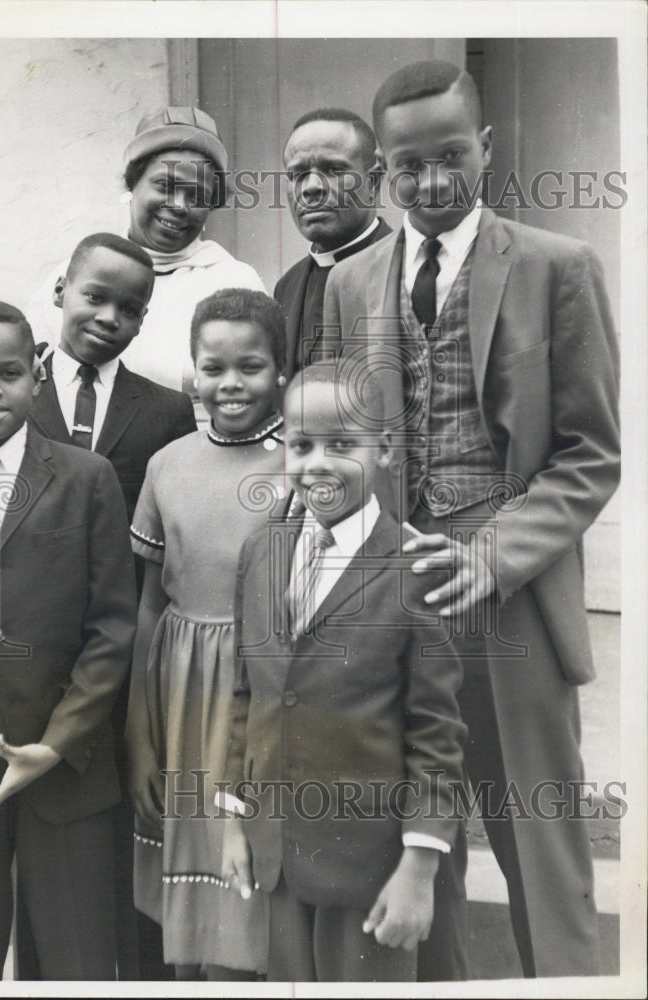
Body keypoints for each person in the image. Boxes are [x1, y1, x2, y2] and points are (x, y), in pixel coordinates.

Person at [324, 59, 620, 979]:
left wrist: (497, 556)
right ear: (383, 172)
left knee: (538, 833)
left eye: (453, 156)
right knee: (416, 838)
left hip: (513, 600)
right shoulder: (350, 285)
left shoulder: (556, 266)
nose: (433, 182)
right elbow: (351, 440)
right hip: (394, 597)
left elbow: (590, 452)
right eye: (409, 166)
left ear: (485, 148)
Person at [220, 362, 466, 983]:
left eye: (342, 445)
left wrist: (420, 866)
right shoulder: (261, 552)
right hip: (277, 853)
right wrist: (233, 822)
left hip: (371, 870)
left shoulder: (415, 571)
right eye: (301, 445)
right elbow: (246, 694)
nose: (317, 463)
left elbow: (436, 733)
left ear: (384, 449)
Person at [0, 300, 137, 979]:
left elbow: (112, 629)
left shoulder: (86, 478)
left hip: (68, 771)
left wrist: (58, 741)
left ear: (37, 376)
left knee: (79, 965)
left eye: (9, 372)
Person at [22, 232, 196, 980]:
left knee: (132, 835)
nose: (109, 317)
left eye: (131, 309)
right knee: (47, 847)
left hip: (121, 658)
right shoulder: (12, 391)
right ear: (61, 289)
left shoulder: (165, 411)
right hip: (28, 658)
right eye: (96, 296)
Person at [125, 288, 287, 980]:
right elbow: (147, 606)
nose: (230, 384)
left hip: (260, 689)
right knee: (184, 887)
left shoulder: (300, 465)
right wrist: (139, 729)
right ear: (192, 371)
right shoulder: (168, 464)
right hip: (179, 687)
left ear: (282, 369)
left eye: (250, 366)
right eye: (212, 367)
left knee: (247, 873)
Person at [26, 107, 265, 418]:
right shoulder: (75, 273)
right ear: (132, 184)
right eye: (165, 186)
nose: (179, 206)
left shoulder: (235, 284)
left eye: (197, 195)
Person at [274, 108, 391, 380]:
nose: (311, 187)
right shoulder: (286, 287)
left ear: (373, 182)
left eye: (333, 170)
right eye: (297, 174)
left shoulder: (407, 269)